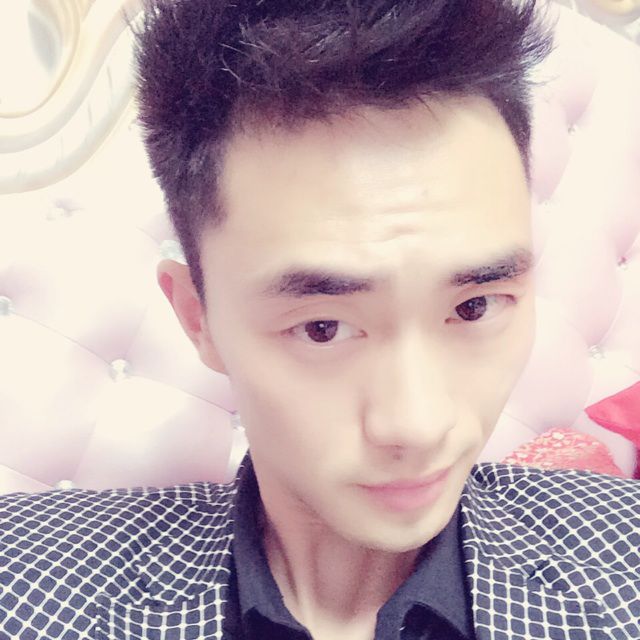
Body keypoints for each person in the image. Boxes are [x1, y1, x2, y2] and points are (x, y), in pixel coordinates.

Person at [1, 1, 639, 639]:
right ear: (199, 318)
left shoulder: (622, 561)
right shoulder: (25, 582)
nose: (419, 426)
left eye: (474, 307)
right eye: (322, 328)